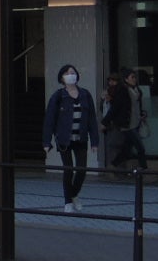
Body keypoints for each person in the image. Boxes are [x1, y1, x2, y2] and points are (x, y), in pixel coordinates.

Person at [42, 63, 99, 213]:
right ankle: (68, 201)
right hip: (64, 139)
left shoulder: (85, 94)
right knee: (68, 170)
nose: (70, 75)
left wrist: (94, 141)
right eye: (67, 73)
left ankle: (73, 195)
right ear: (62, 77)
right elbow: (50, 120)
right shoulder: (58, 96)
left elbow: (92, 119)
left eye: (73, 72)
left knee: (82, 170)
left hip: (81, 138)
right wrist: (46, 141)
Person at [102, 67, 149, 172]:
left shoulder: (137, 90)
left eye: (134, 77)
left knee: (127, 150)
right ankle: (144, 170)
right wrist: (105, 122)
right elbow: (115, 108)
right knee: (140, 148)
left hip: (136, 123)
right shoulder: (123, 91)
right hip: (127, 125)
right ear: (126, 79)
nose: (134, 79)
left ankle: (112, 166)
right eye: (132, 77)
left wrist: (142, 113)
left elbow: (137, 106)